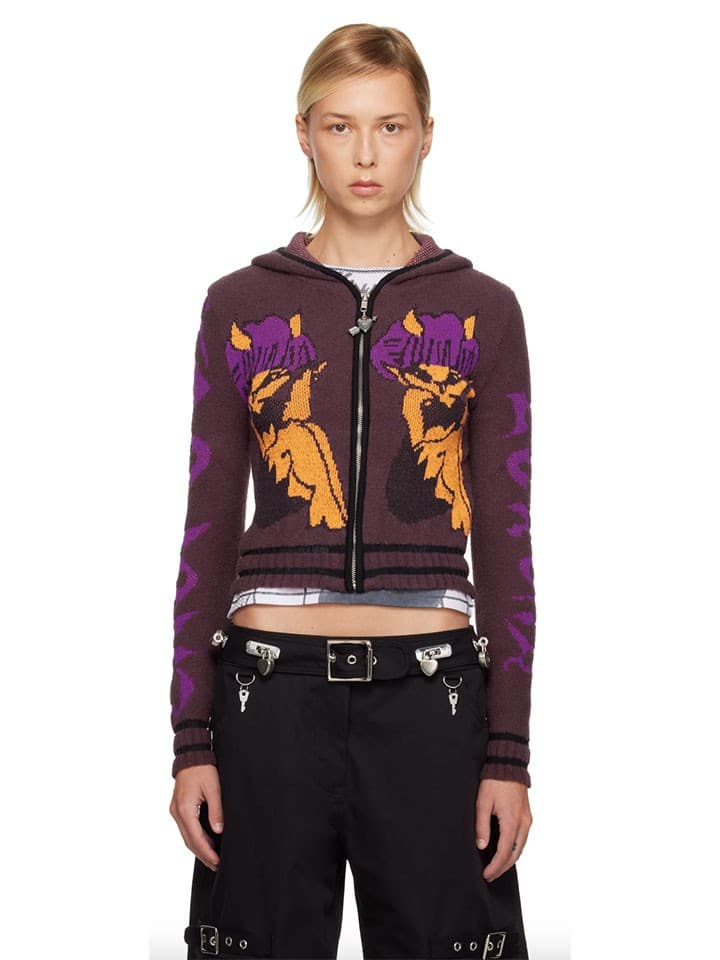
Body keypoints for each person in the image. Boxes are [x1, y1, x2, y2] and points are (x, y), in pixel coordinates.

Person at [169, 22, 537, 960]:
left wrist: (508, 751)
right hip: (265, 697)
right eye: (340, 126)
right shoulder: (238, 304)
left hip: (432, 697)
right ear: (304, 133)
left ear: (425, 135)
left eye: (390, 126)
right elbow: (208, 528)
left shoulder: (485, 311)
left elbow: (506, 538)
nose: (366, 154)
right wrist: (191, 738)